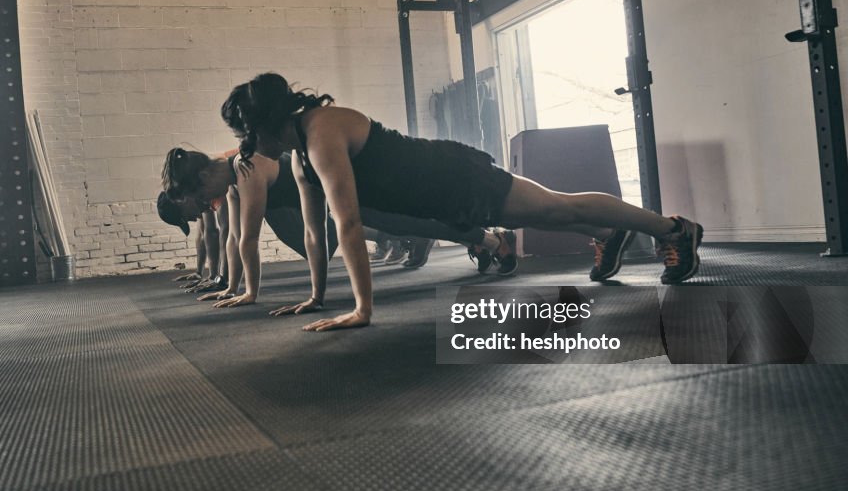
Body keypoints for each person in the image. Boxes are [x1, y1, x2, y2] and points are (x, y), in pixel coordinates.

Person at [220, 72, 704, 332]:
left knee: (561, 207)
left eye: (245, 134)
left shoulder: (322, 132)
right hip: (438, 197)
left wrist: (363, 309)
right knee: (556, 211)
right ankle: (611, 234)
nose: (246, 146)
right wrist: (317, 298)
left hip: (453, 177)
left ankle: (674, 229)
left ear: (263, 124)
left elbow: (347, 224)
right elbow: (313, 231)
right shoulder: (300, 156)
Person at [159, 147, 516, 314]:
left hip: (344, 180)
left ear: (205, 177)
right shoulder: (232, 182)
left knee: (409, 220)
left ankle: (494, 240)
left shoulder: (245, 167)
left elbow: (248, 238)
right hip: (319, 195)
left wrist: (249, 294)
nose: (205, 206)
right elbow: (235, 237)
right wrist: (233, 288)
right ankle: (484, 239)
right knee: (401, 223)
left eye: (200, 197)